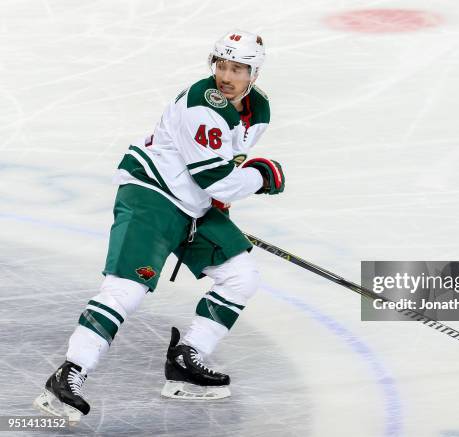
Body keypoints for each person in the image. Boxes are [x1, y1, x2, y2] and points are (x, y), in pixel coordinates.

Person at [33, 29, 285, 424]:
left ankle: (187, 359)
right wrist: (260, 177)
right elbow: (215, 178)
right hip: (151, 194)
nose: (226, 75)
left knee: (240, 276)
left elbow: (220, 172)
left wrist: (226, 195)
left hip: (192, 205)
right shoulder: (205, 104)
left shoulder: (259, 109)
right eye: (221, 64)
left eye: (237, 68)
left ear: (254, 73)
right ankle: (68, 375)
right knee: (127, 290)